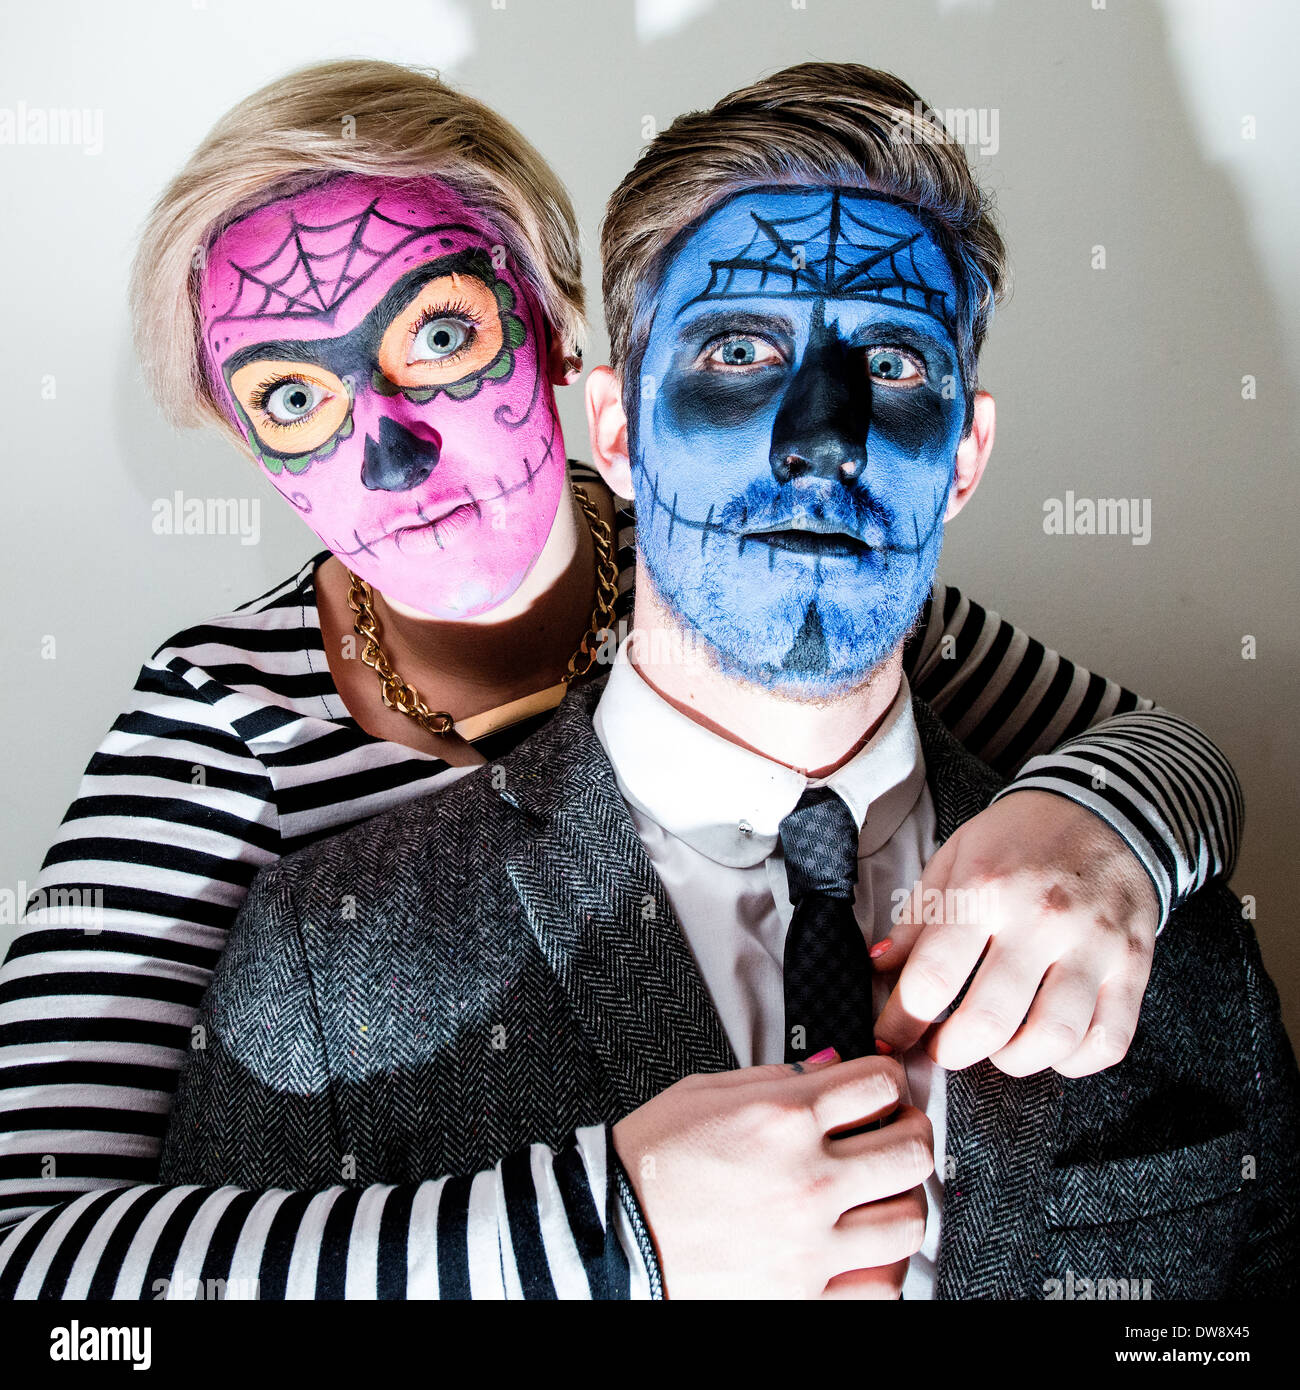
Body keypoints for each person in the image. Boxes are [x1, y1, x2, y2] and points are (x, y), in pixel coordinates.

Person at [0, 60, 1243, 1300]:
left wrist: (1104, 825)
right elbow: (34, 1267)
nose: (388, 451)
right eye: (290, 395)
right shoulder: (225, 724)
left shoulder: (772, 556)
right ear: (238, 435)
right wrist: (596, 1240)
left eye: (441, 335)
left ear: (553, 320)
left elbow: (1167, 751)